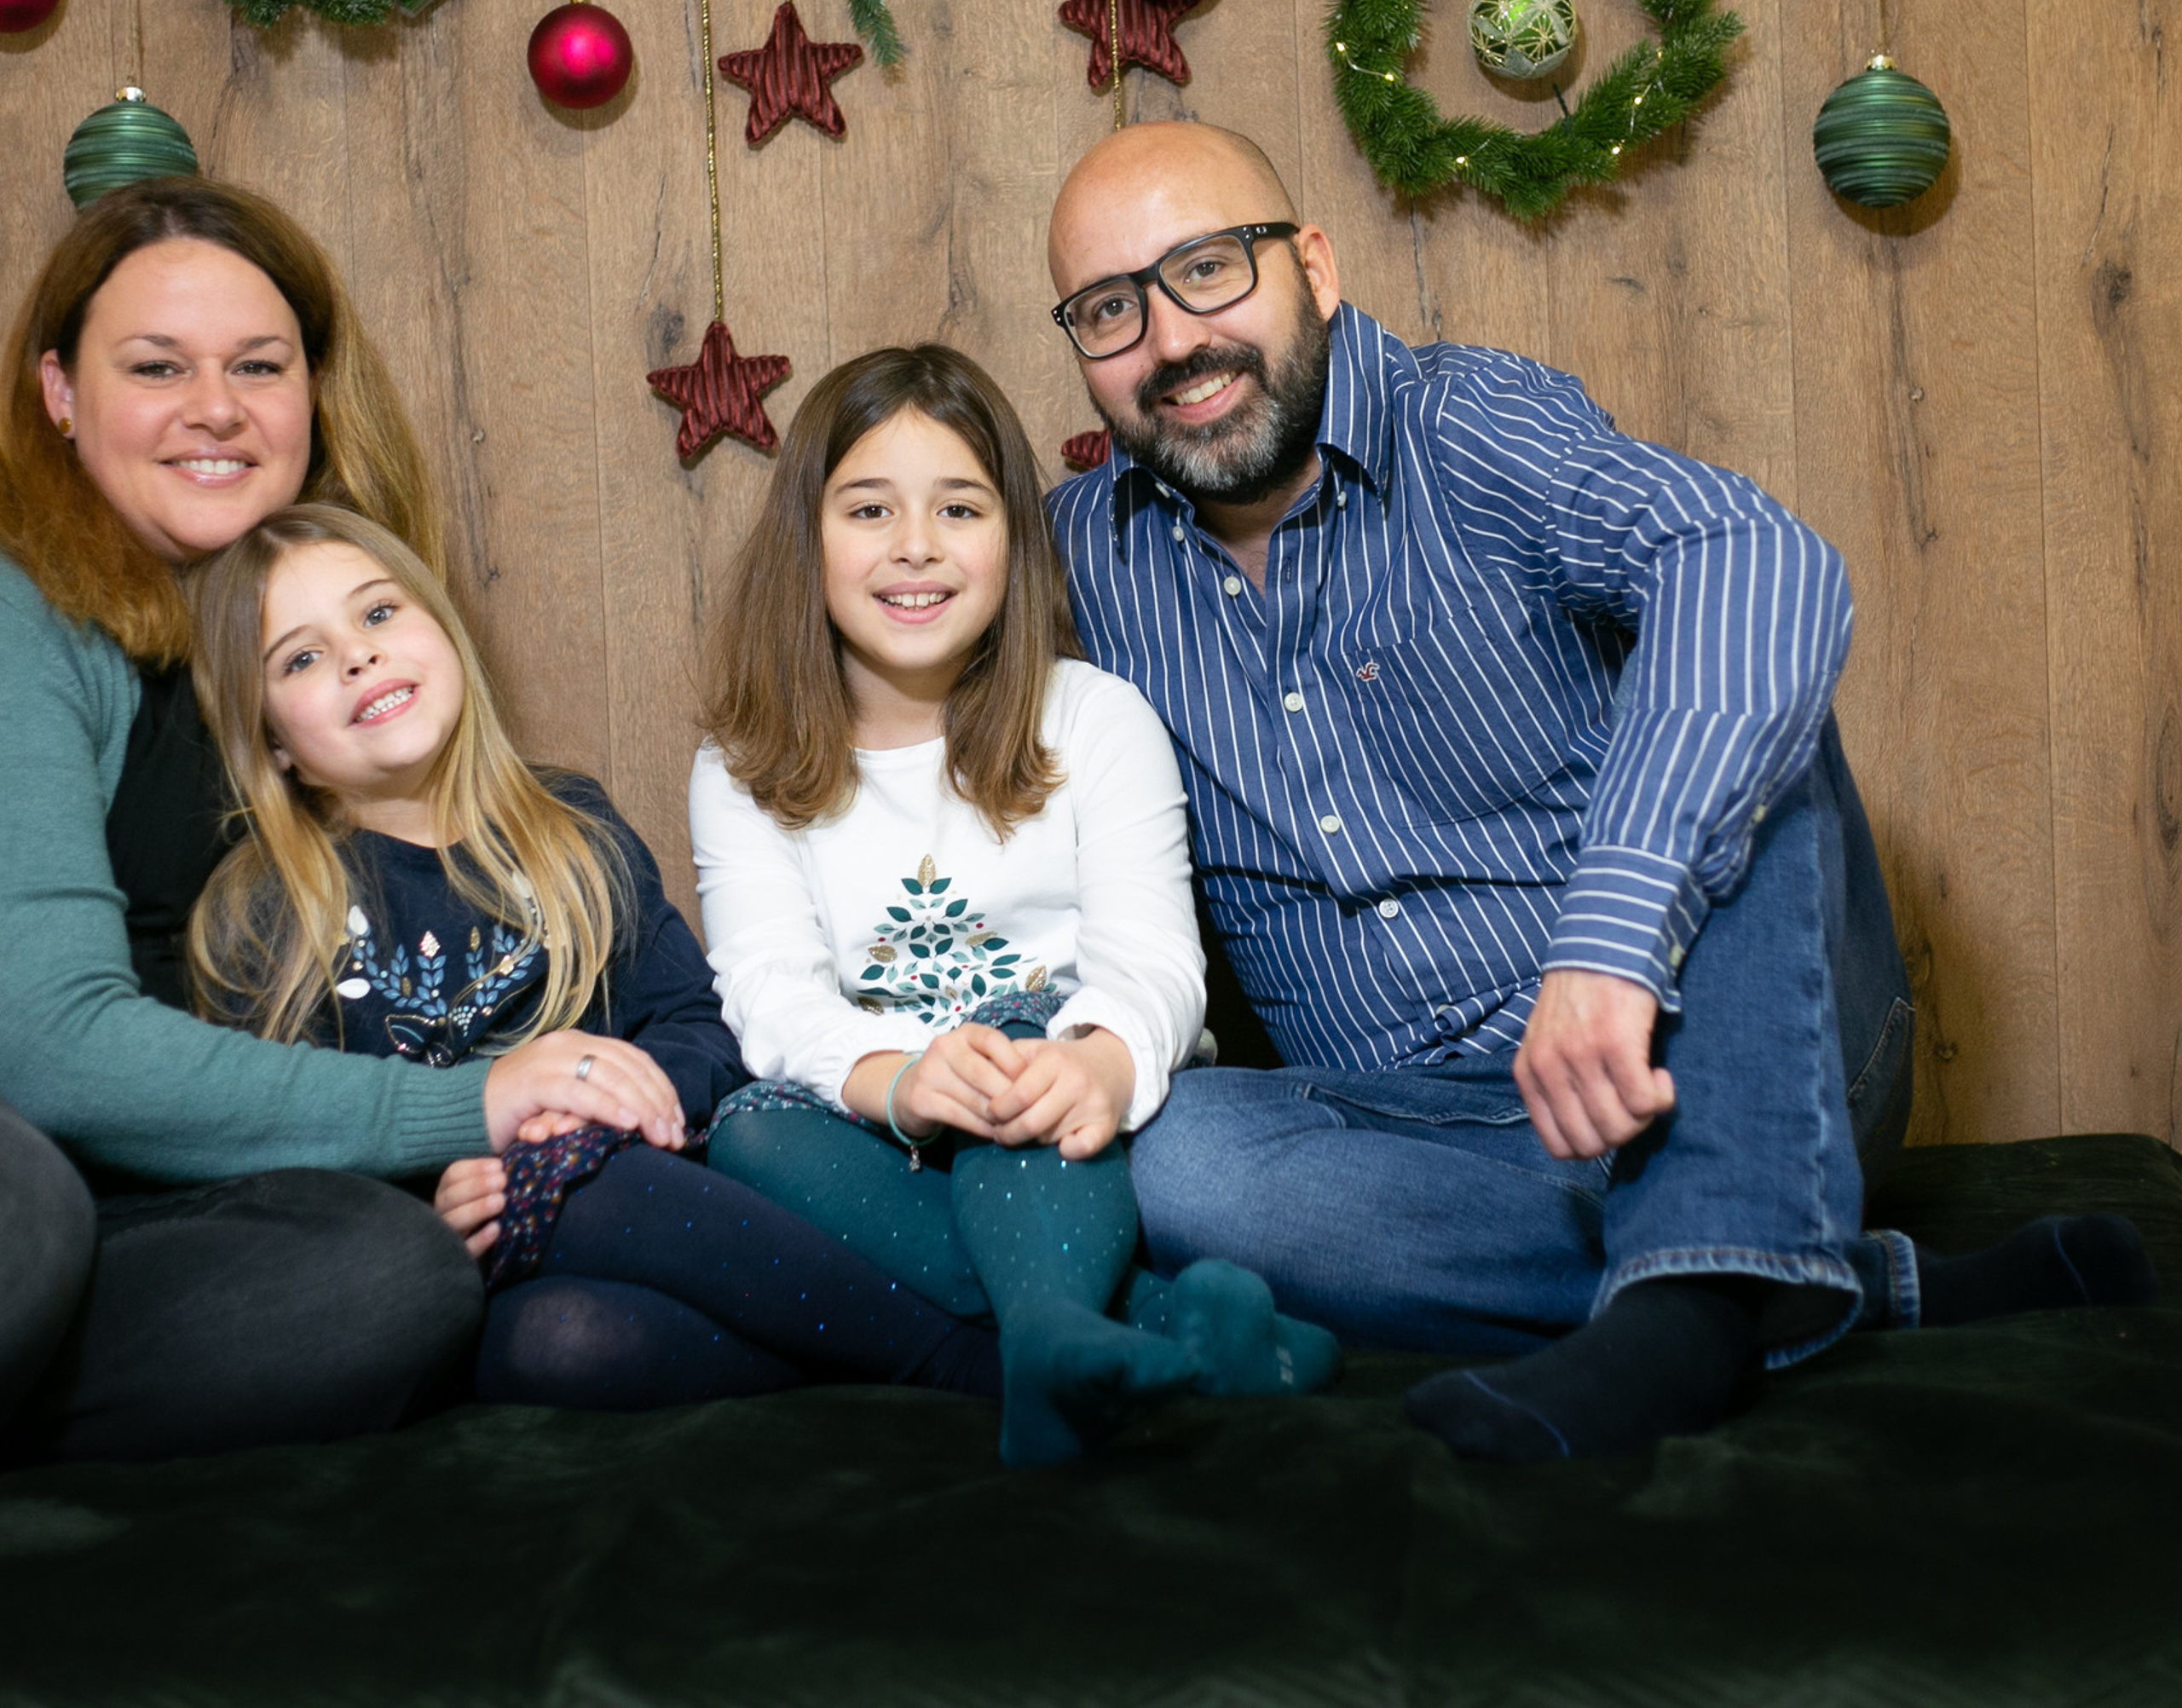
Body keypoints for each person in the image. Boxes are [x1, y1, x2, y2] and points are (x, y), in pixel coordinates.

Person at [1042, 120, 2156, 1463]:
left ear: (1316, 270)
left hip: (1715, 1062)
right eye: (1112, 311)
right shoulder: (1079, 559)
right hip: (1434, 1149)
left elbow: (1759, 562)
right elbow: (889, 638)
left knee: (1752, 707)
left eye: (1207, 269)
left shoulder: (1471, 426)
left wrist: (1612, 939)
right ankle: (1789, 1288)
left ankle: (1687, 1309)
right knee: (1171, 1160)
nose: (1170, 342)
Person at [0, 177, 664, 1465]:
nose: (216, 408)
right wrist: (469, 1109)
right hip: (32, 1172)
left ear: (313, 395)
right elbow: (50, 1048)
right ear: (61, 396)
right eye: (155, 367)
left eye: (259, 364)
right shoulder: (28, 618)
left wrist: (531, 1137)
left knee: (393, 1276)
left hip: (178, 1215)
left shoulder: (347, 647)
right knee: (23, 1212)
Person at [184, 502, 1004, 1412]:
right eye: (300, 657)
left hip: (636, 1192)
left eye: (379, 613)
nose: (357, 655)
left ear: (440, 627)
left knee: (574, 1293)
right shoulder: (263, 914)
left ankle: (955, 1364)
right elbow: (277, 1144)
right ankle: (927, 1354)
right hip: (466, 1256)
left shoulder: (566, 827)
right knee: (540, 1351)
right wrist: (423, 1207)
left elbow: (698, 1027)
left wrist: (606, 1113)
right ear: (271, 742)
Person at [692, 343, 1339, 1465]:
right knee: (749, 1132)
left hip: (1075, 1112)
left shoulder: (1093, 718)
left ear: (1011, 540)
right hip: (891, 1127)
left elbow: (1153, 966)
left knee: (1027, 1053)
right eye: (868, 509)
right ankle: (1127, 1325)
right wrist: (901, 1080)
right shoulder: (741, 766)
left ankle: (1040, 1343)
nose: (915, 548)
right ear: (810, 539)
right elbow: (771, 999)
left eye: (959, 508)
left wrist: (1094, 1060)